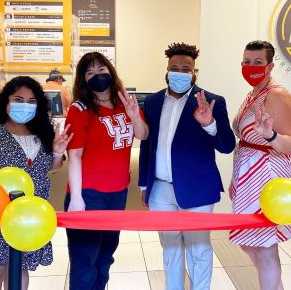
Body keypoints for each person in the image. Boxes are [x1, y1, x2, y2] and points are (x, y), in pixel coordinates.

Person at [138, 42, 235, 290]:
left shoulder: (212, 101)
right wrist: (143, 184)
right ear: (166, 70)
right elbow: (148, 143)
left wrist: (209, 123)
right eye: (174, 67)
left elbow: (226, 145)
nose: (179, 73)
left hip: (197, 189)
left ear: (194, 72)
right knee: (170, 249)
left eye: (186, 68)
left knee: (199, 248)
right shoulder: (153, 101)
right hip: (160, 189)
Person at [64, 52, 148, 290]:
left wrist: (134, 117)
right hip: (88, 194)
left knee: (105, 257)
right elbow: (75, 155)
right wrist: (77, 198)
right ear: (82, 80)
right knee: (84, 260)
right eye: (89, 73)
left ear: (110, 71)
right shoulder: (79, 110)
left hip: (117, 193)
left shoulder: (126, 102)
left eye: (101, 70)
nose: (97, 76)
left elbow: (142, 135)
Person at [0, 76, 72, 290]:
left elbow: (52, 168)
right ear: (5, 101)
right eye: (18, 99)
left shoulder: (43, 131)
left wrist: (57, 151)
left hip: (29, 217)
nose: (24, 106)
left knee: (20, 270)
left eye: (31, 101)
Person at [229, 40, 291, 290]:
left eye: (257, 62)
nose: (250, 67)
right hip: (248, 175)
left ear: (270, 65)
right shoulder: (253, 93)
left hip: (267, 177)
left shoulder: (276, 94)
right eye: (246, 61)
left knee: (265, 245)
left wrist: (272, 137)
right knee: (248, 241)